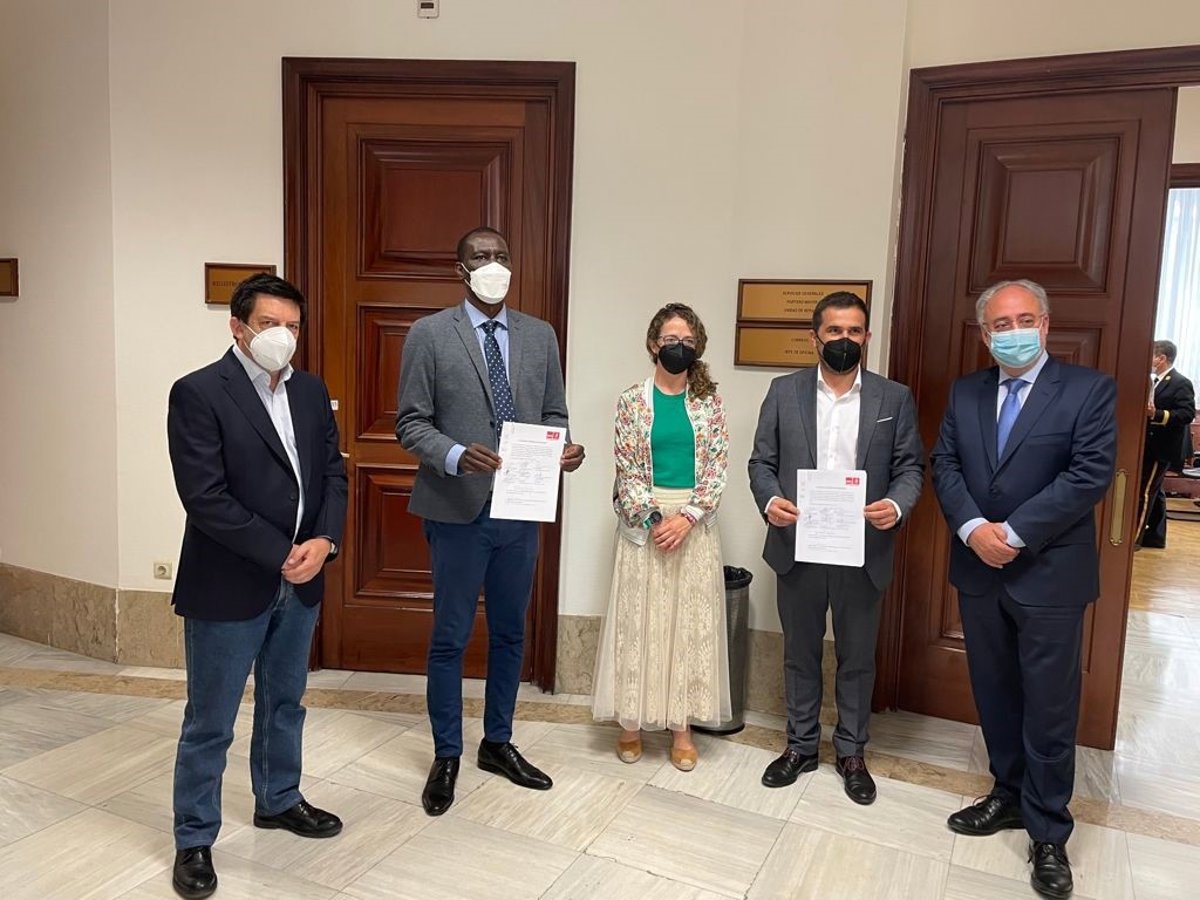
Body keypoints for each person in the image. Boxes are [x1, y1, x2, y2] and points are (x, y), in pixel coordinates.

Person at [930, 279, 1116, 900]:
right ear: (985, 334)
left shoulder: (1088, 390)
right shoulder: (965, 392)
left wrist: (1012, 532)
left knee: (1049, 705)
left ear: (1046, 323)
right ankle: (1007, 794)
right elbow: (945, 464)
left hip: (1049, 576)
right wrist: (972, 528)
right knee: (995, 693)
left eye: (1024, 320)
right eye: (1000, 324)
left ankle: (1048, 831)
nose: (1013, 332)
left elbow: (1089, 475)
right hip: (979, 571)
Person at [166, 274, 348, 899]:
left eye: (293, 326)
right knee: (211, 719)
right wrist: (280, 553)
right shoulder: (198, 392)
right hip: (229, 582)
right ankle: (194, 837)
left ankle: (278, 798)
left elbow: (332, 474)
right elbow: (205, 497)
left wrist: (324, 543)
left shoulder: (311, 391)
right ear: (237, 327)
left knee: (284, 702)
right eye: (270, 324)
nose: (283, 336)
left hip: (302, 580)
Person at [395, 226, 585, 817]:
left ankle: (497, 742)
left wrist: (564, 448)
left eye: (501, 255)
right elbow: (410, 422)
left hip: (521, 510)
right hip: (457, 509)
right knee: (450, 637)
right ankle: (447, 753)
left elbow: (553, 412)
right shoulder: (430, 334)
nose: (493, 264)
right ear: (461, 269)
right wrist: (455, 454)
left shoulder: (539, 334)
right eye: (480, 257)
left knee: (510, 634)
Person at [748, 291, 924, 804]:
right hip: (798, 544)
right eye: (834, 331)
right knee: (800, 653)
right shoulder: (783, 391)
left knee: (857, 658)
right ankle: (801, 746)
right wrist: (770, 500)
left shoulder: (894, 398)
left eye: (853, 332)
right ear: (815, 337)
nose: (844, 340)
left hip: (862, 549)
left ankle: (851, 752)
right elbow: (761, 462)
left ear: (866, 337)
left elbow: (911, 467)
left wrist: (896, 505)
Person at [592, 303, 731, 771]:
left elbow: (717, 468)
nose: (679, 347)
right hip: (644, 525)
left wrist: (686, 517)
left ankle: (681, 727)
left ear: (698, 347)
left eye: (687, 341)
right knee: (639, 623)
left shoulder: (709, 402)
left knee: (686, 627)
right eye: (671, 340)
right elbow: (627, 468)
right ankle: (631, 723)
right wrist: (654, 520)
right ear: (654, 344)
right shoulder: (632, 401)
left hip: (693, 525)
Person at [1136, 339, 1195, 548]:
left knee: (1144, 492)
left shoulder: (1180, 382)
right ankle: (1156, 536)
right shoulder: (1155, 381)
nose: (1148, 360)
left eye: (1151, 355)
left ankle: (1134, 538)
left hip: (1162, 447)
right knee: (1156, 491)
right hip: (1151, 444)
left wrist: (1157, 414)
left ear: (1161, 358)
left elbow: (1187, 414)